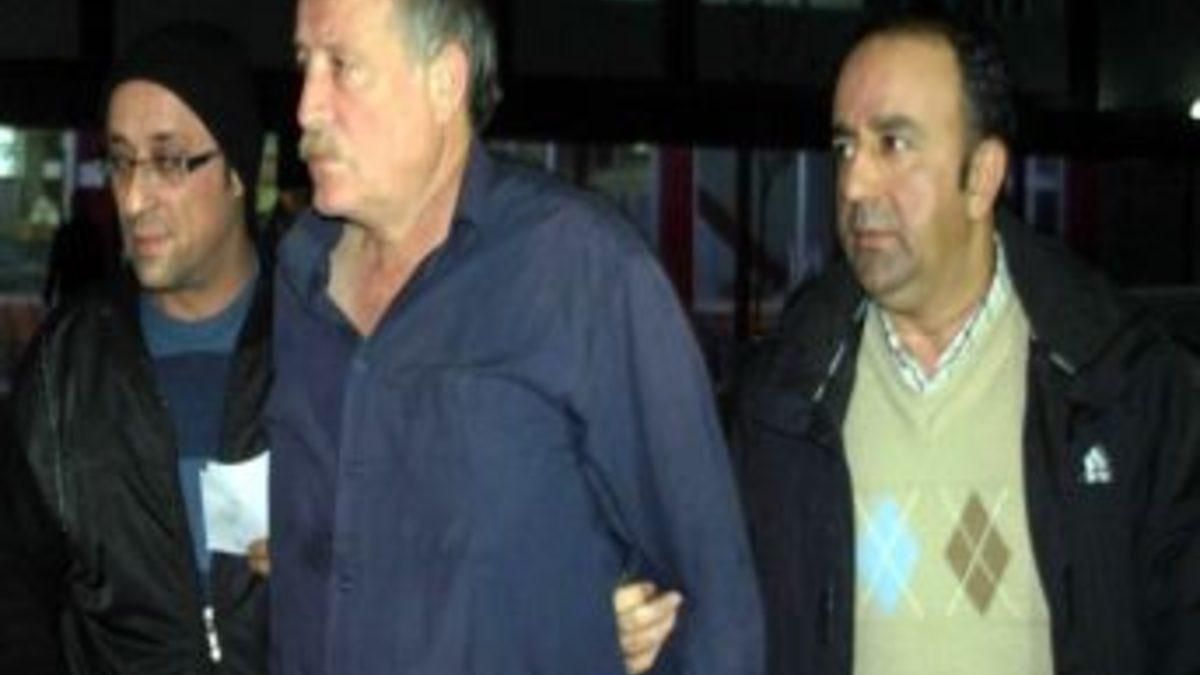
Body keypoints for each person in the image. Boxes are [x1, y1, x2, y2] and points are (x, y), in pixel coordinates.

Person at [625, 8, 1200, 675]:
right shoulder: (778, 400)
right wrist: (641, 613)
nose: (853, 183)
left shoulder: (1126, 388)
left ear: (981, 175)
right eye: (845, 147)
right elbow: (698, 591)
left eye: (893, 144)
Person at [267, 0, 763, 672]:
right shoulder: (300, 275)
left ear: (445, 81)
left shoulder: (578, 271)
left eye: (343, 67)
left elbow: (710, 603)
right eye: (304, 64)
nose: (307, 107)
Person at [0, 23, 272, 673]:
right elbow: (15, 593)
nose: (133, 196)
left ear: (237, 172)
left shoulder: (327, 348)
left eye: (170, 161)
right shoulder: (66, 367)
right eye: (122, 161)